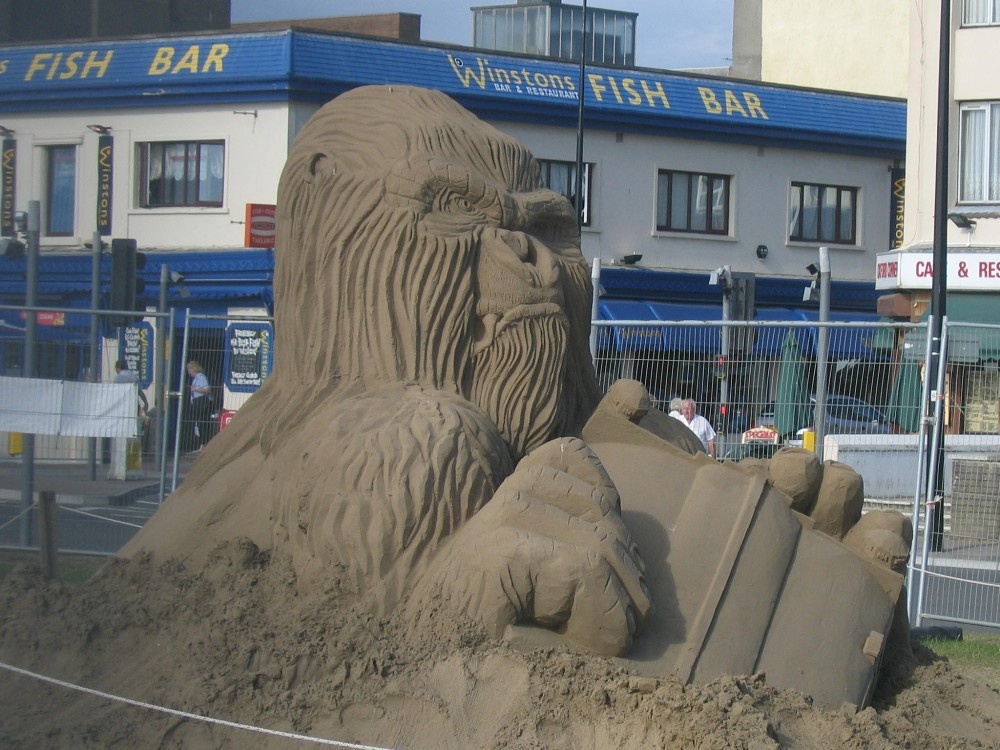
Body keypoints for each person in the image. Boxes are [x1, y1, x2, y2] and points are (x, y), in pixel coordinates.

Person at [184, 360, 215, 452]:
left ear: (193, 369)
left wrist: (195, 389)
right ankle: (202, 445)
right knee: (200, 424)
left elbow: (207, 390)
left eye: (189, 370)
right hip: (197, 403)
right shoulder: (196, 378)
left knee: (203, 424)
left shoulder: (201, 377)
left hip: (203, 403)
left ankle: (204, 445)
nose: (188, 372)